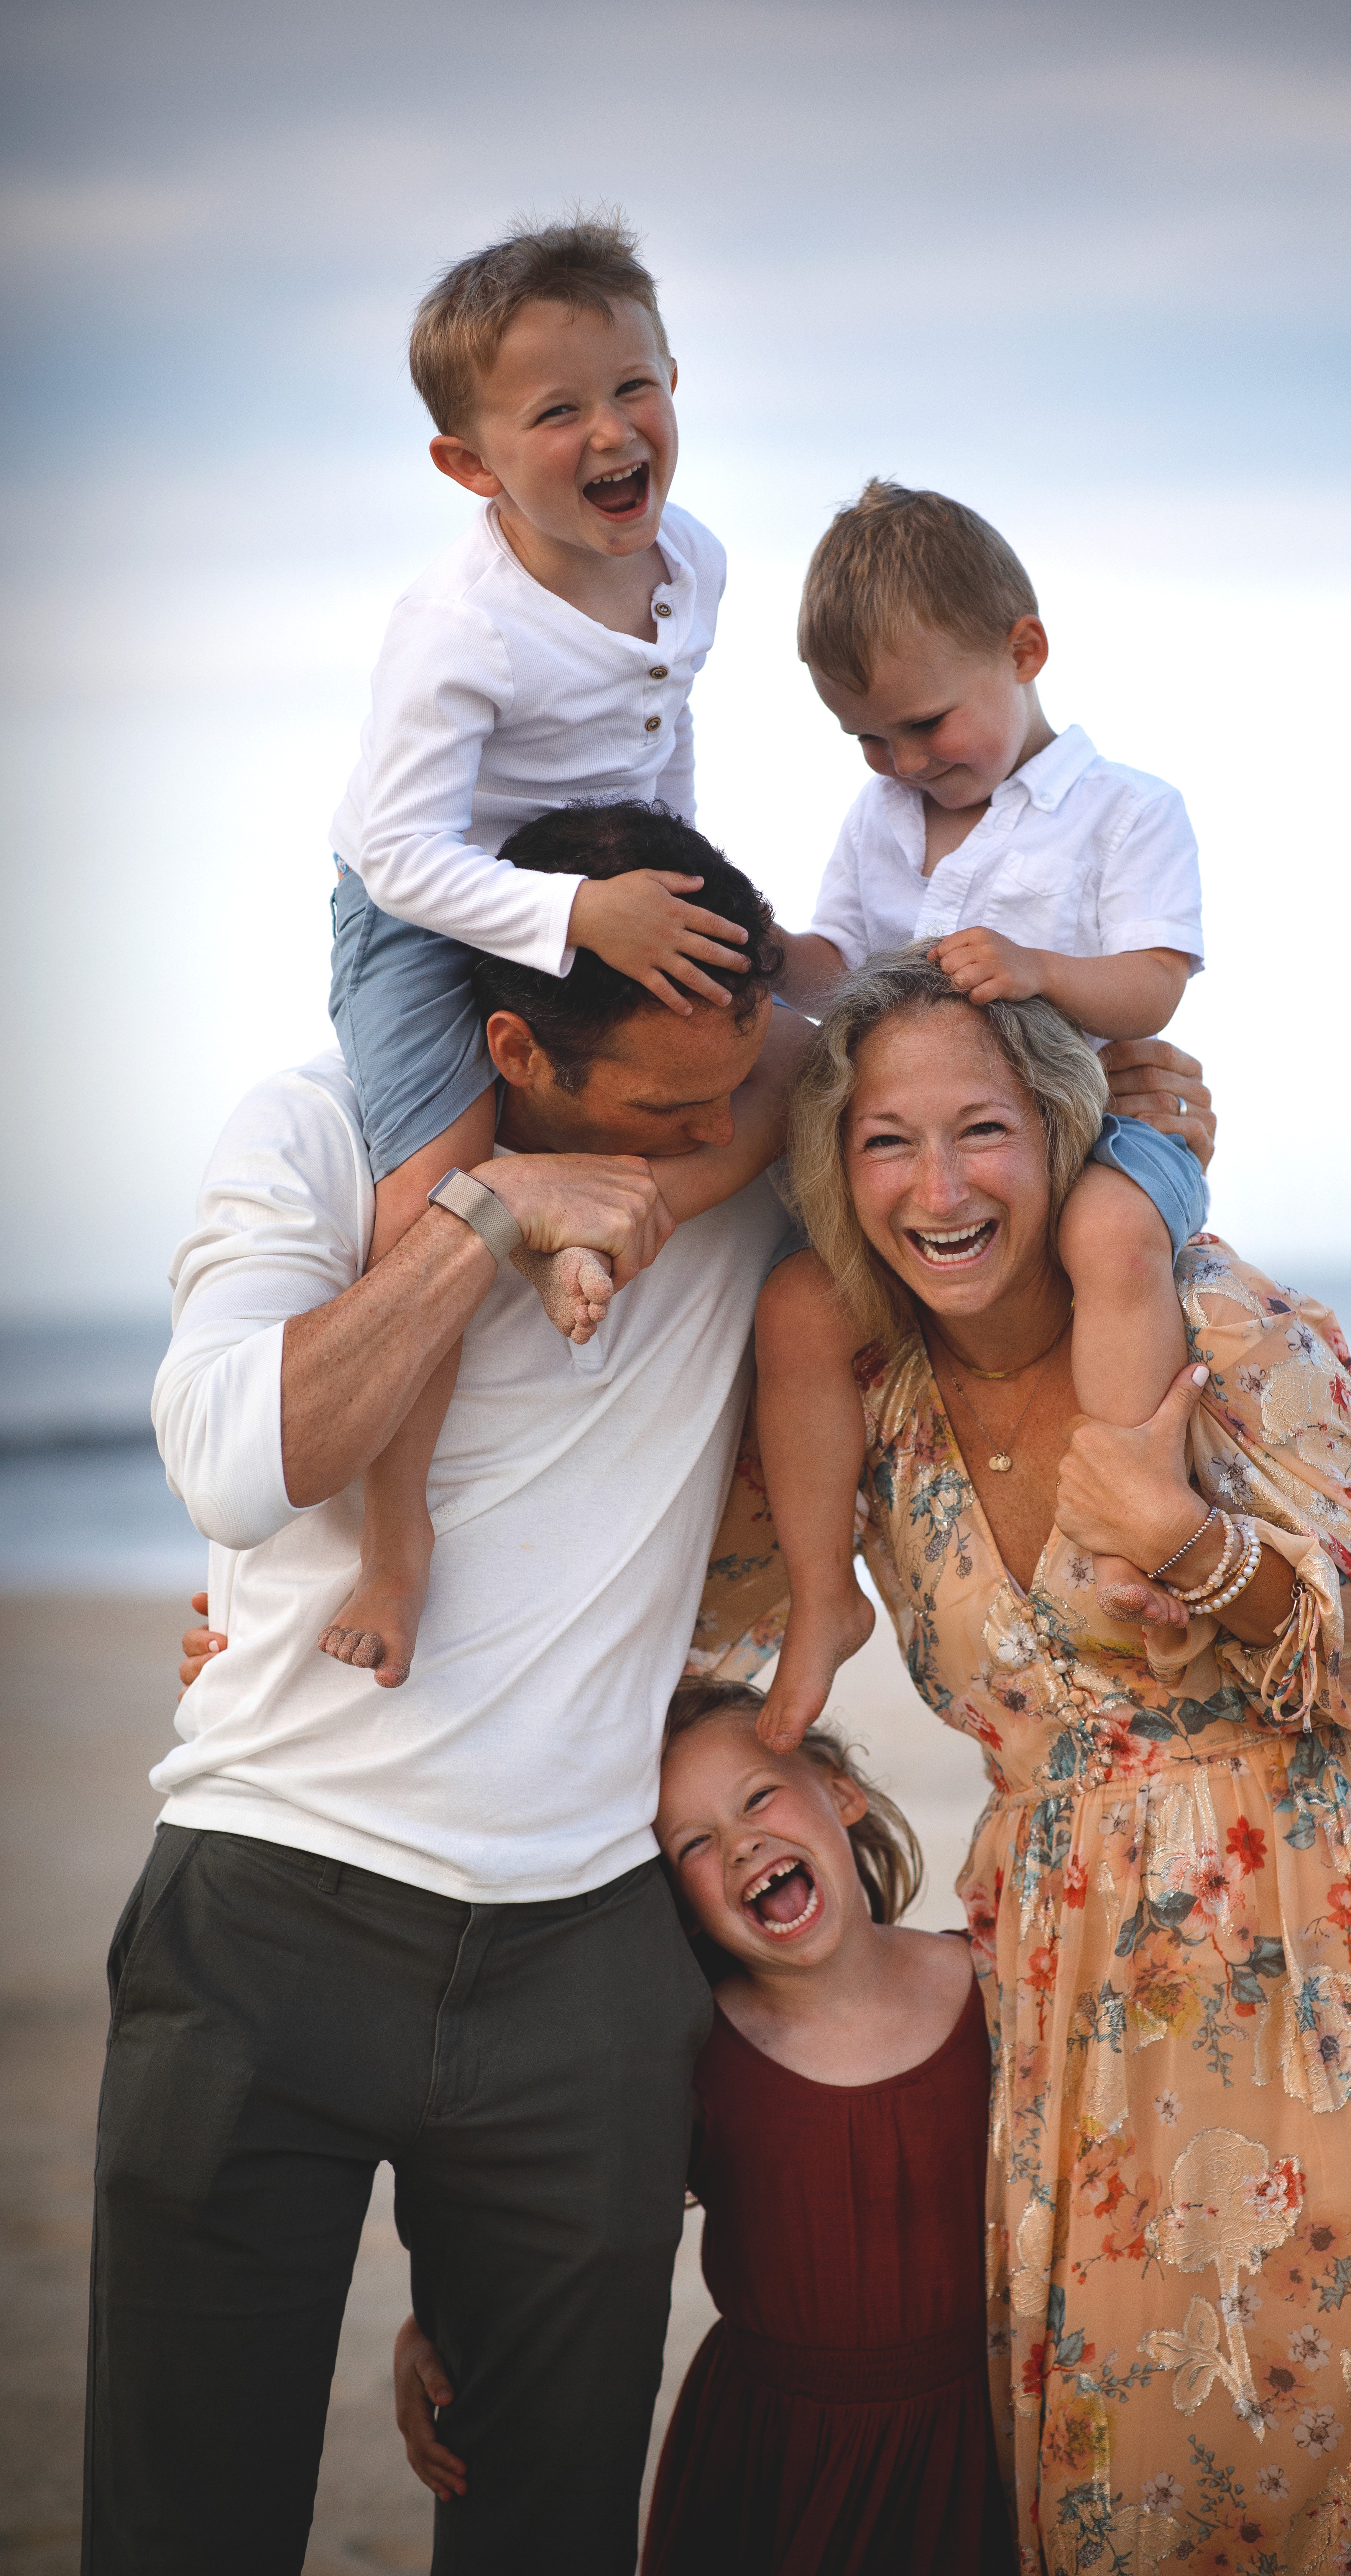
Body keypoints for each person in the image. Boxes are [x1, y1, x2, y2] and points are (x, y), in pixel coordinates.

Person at [701, 951, 1351, 2572]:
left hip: (1349, 1985)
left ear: (1063, 1136)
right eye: (887, 1141)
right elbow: (679, 1637)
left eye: (982, 1131)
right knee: (1124, 2511)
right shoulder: (859, 1402)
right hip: (1074, 2024)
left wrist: (1188, 1542)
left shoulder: (1217, 1319)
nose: (937, 1189)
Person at [87, 808, 807, 2574]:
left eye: (734, 1096)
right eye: (659, 1117)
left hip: (582, 1964)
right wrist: (485, 1216)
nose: (713, 1143)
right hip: (263, 1923)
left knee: (550, 2540)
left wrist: (1158, 1117)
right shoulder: (316, 1130)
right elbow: (246, 1464)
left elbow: (958, 1104)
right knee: (185, 2526)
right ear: (510, 1047)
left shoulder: (742, 1107)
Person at [324, 212, 746, 1688]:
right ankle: (396, 1537)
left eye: (633, 387)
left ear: (676, 379)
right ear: (473, 465)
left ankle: (616, 1227)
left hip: (596, 880)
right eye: (556, 412)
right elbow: (395, 851)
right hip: (430, 905)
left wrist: (681, 893)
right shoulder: (461, 631)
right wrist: (575, 919)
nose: (612, 430)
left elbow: (658, 739)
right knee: (433, 1195)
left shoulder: (690, 562)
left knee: (757, 1046)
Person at [754, 481, 1211, 1748]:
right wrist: (758, 950)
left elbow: (1157, 981)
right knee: (796, 1308)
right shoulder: (882, 817)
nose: (904, 763)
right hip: (963, 1154)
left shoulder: (1126, 810)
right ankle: (817, 1596)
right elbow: (836, 958)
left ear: (1025, 652)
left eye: (925, 724)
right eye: (869, 741)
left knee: (1113, 1242)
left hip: (1107, 1136)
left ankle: (1131, 1515)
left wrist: (1042, 969)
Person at [394, 1677, 1014, 2575]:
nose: (741, 1844)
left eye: (758, 1796)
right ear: (679, 1904)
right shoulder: (690, 2054)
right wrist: (435, 2319)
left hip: (981, 2436)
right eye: (694, 1843)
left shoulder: (999, 1989)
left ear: (840, 1791)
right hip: (766, 2453)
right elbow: (554, 2198)